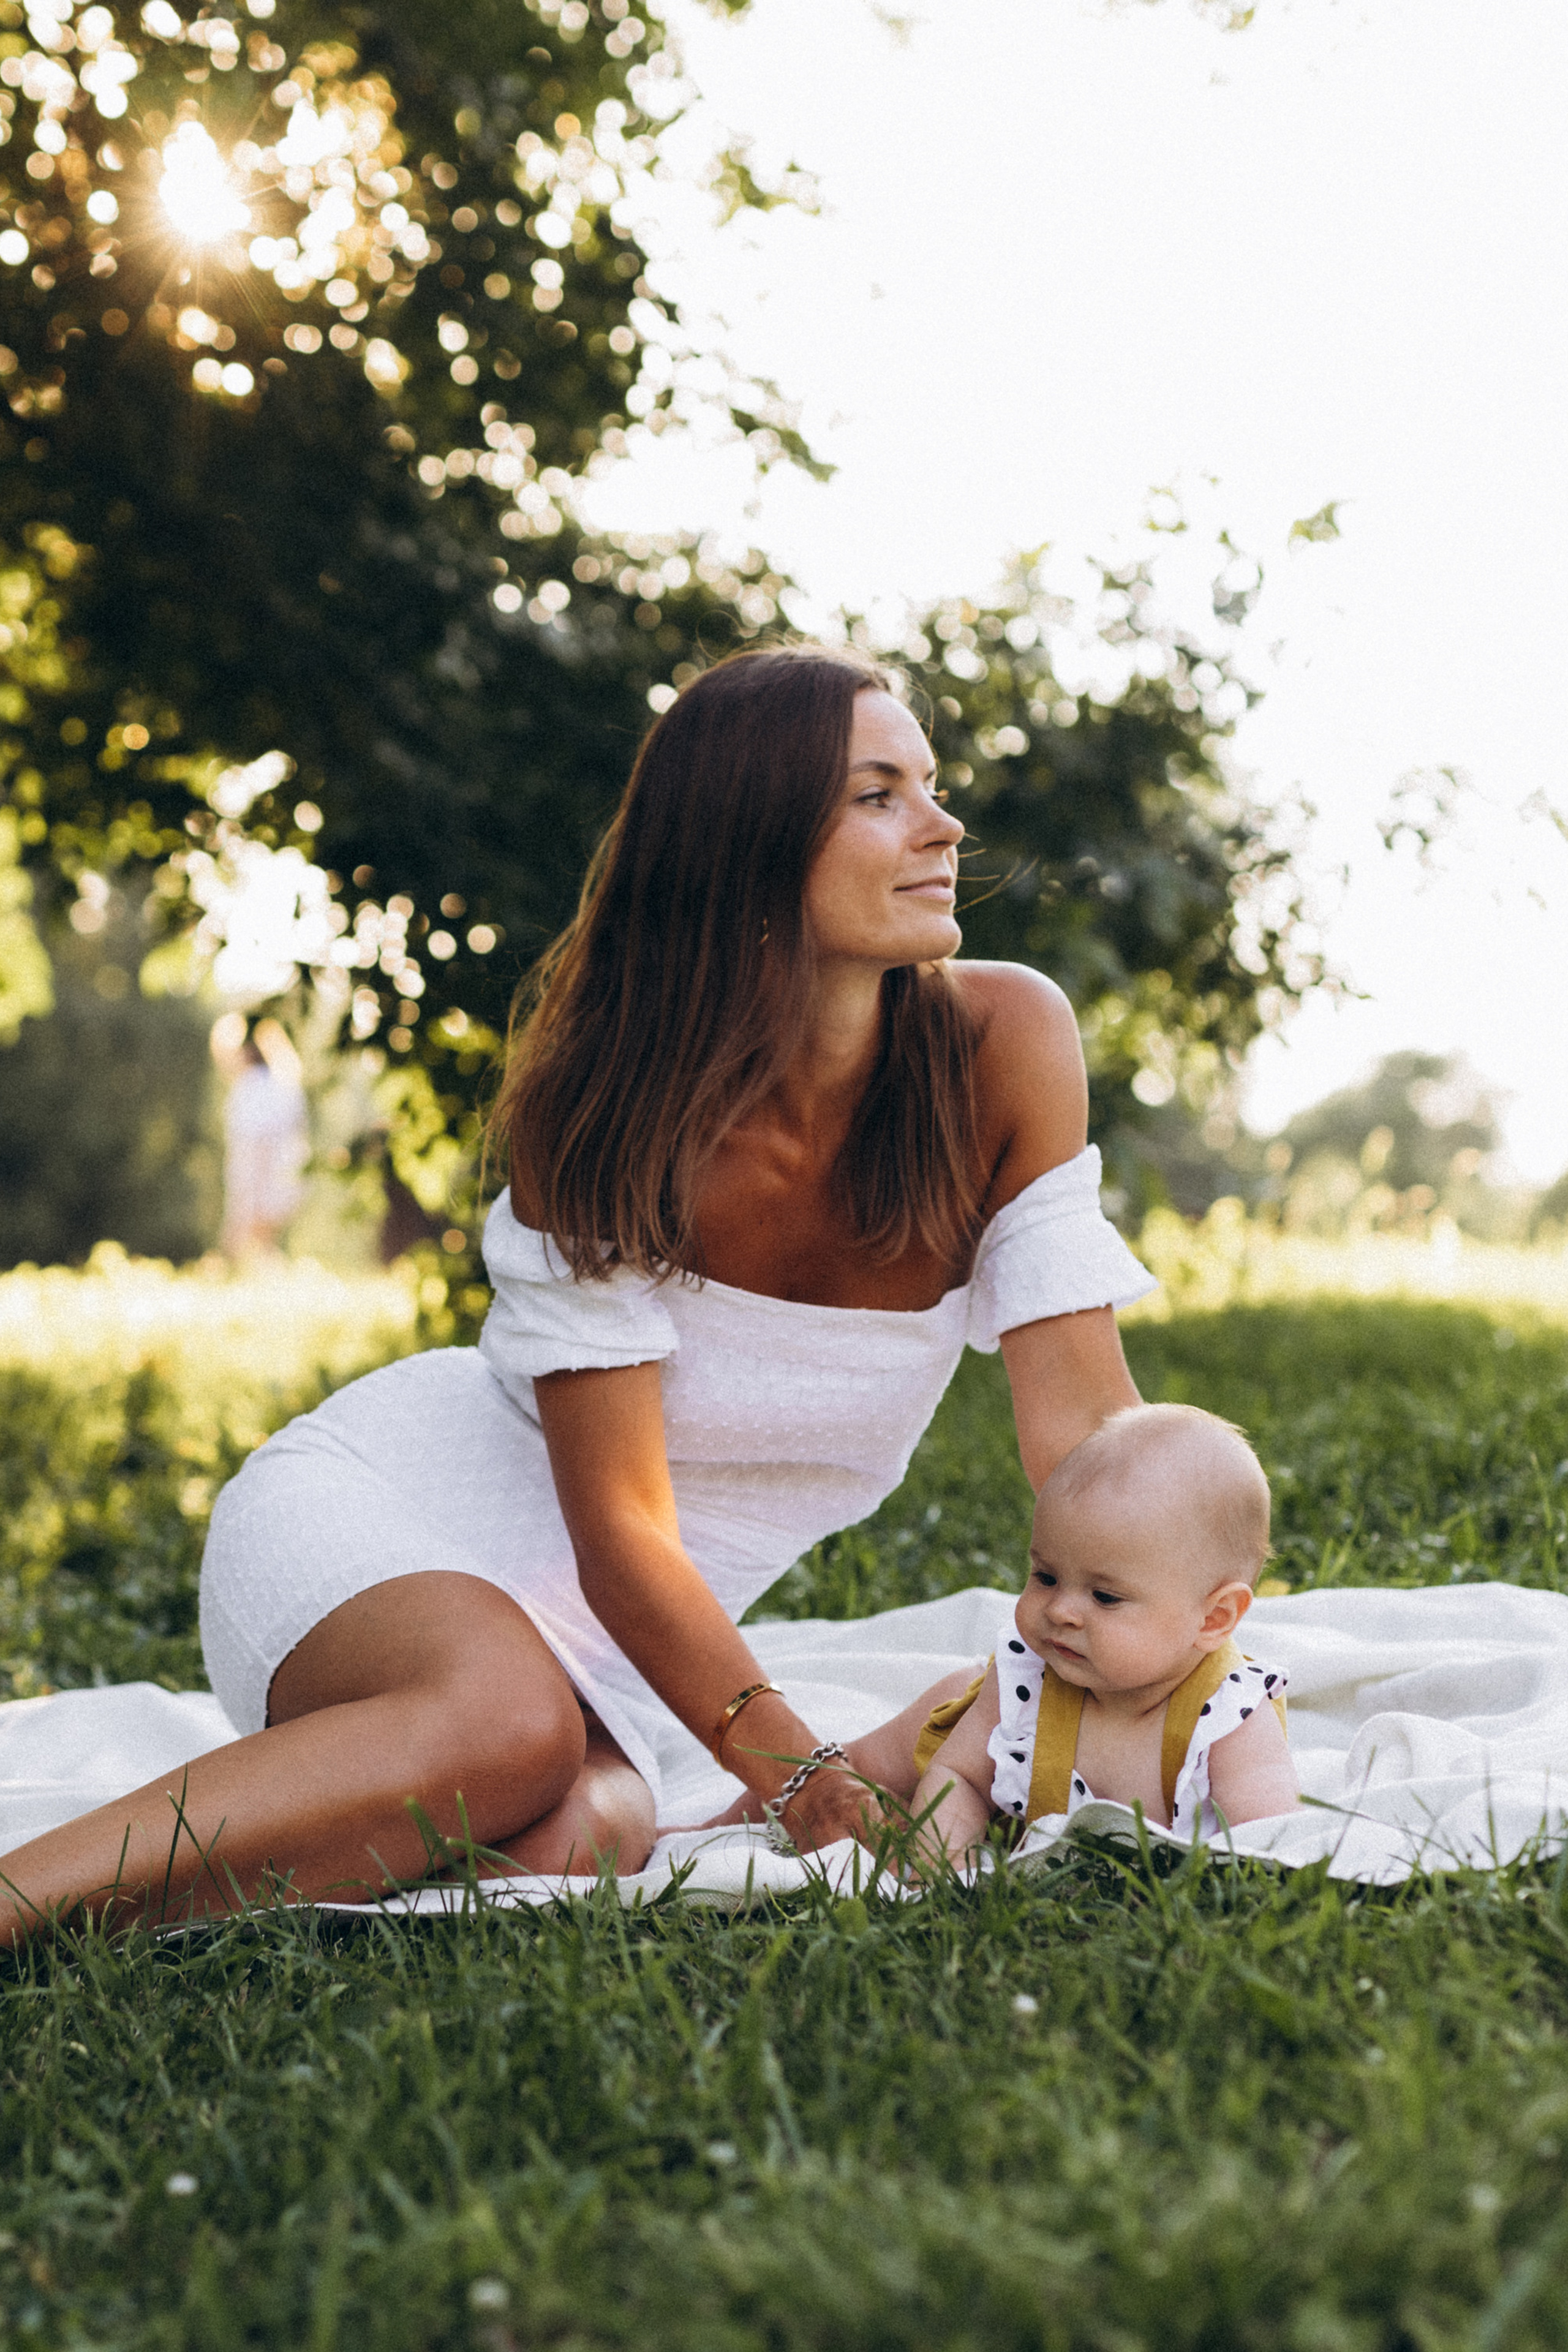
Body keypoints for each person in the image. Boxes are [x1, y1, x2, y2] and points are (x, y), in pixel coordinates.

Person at [0, 644, 1156, 1943]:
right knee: (505, 1725)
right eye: (879, 796)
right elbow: (623, 1534)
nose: (942, 828)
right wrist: (796, 1773)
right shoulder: (606, 1112)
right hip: (381, 1528)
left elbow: (1085, 1438)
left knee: (580, 1833)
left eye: (929, 788)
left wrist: (1182, 1634)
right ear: (749, 843)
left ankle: (121, 1912)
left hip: (621, 1665)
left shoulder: (1004, 1046)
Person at [907, 1403, 1299, 1872]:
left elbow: (1269, 1845)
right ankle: (822, 1769)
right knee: (895, 1760)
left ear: (1213, 1618)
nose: (1061, 1611)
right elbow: (959, 1776)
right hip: (962, 1708)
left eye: (1105, 1597)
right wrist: (943, 1873)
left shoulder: (1228, 1716)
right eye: (1046, 1577)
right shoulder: (1027, 1675)